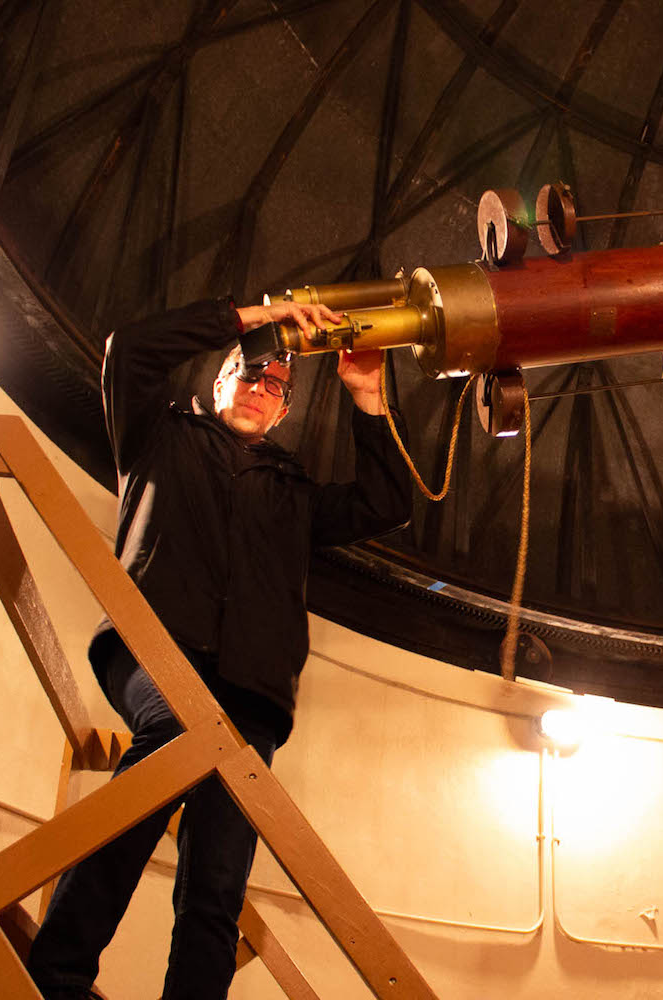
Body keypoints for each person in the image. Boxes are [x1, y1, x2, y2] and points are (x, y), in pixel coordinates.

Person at [26, 297, 412, 999]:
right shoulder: (157, 436)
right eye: (249, 373)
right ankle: (56, 974)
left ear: (284, 410)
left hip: (248, 694)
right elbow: (131, 347)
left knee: (219, 875)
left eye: (275, 385)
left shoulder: (293, 491)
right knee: (173, 739)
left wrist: (367, 395)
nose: (260, 389)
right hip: (157, 656)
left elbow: (388, 501)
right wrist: (251, 316)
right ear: (217, 381)